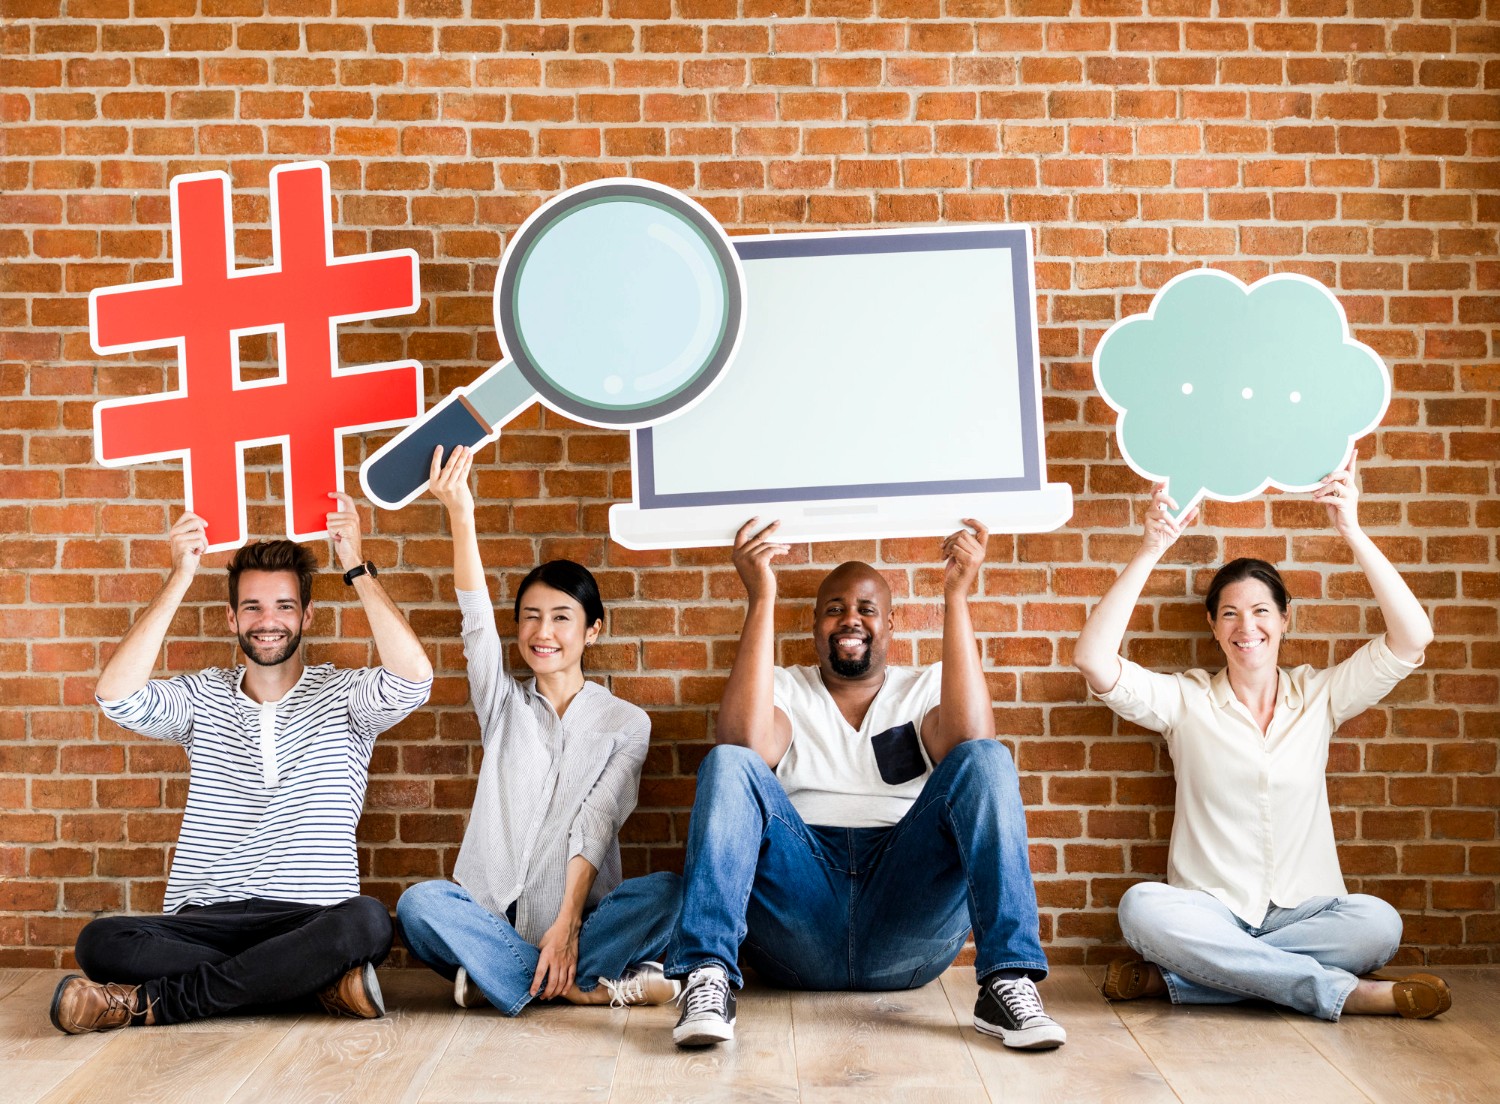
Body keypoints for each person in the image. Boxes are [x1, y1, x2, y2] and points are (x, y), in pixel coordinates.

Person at [665, 516, 1066, 1050]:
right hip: (798, 908)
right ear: (814, 627)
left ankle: (1007, 981)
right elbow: (745, 743)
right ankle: (708, 978)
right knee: (727, 762)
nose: (849, 619)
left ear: (891, 625)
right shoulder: (783, 686)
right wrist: (761, 594)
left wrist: (957, 596)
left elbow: (970, 741)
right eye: (834, 610)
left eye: (865, 609)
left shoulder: (923, 689)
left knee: (987, 758)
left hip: (904, 907)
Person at [1073, 461, 1449, 1021]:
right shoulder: (1186, 701)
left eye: (1259, 611)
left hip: (1309, 912)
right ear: (1214, 626)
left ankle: (1186, 981)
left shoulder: (1322, 696)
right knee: (1142, 908)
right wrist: (1151, 548)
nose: (1245, 626)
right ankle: (1345, 993)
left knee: (1378, 924)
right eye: (1229, 614)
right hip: (1210, 910)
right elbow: (1093, 660)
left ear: (1284, 619)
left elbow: (1413, 637)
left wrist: (1351, 528)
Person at [51, 494, 434, 1034]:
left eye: (283, 606)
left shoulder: (347, 695)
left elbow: (414, 679)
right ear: (232, 617)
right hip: (206, 917)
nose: (267, 621)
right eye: (252, 607)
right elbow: (115, 695)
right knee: (101, 941)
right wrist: (181, 575)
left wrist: (356, 565)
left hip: (311, 917)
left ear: (306, 615)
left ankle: (151, 1004)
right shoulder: (202, 697)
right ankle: (309, 984)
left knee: (368, 922)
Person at [395, 446, 682, 1015]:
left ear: (592, 631)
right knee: (419, 905)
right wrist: (460, 513)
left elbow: (598, 822)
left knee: (674, 892)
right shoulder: (502, 703)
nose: (542, 631)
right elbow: (475, 622)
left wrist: (566, 925)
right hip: (487, 918)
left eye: (560, 617)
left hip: (581, 920)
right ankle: (574, 987)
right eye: (530, 616)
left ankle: (498, 979)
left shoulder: (626, 723)